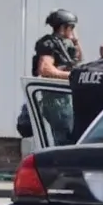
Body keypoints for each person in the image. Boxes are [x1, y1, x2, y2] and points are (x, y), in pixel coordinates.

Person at [30, 9, 82, 145]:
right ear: (63, 27)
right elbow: (45, 69)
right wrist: (72, 76)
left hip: (67, 97)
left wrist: (75, 42)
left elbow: (78, 60)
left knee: (73, 135)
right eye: (71, 27)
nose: (73, 30)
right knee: (64, 136)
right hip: (56, 99)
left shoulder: (66, 44)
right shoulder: (49, 44)